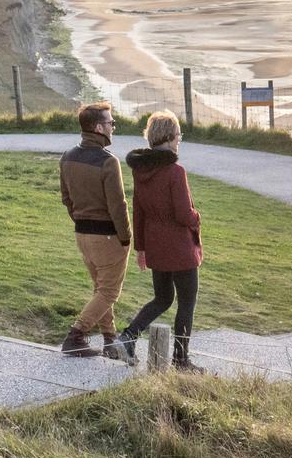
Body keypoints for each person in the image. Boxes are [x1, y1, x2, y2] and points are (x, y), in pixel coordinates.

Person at [110, 110, 204, 371]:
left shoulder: (141, 171)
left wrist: (141, 248)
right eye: (178, 136)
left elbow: (138, 212)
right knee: (186, 303)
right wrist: (197, 216)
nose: (179, 141)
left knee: (162, 298)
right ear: (171, 137)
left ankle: (128, 336)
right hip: (180, 249)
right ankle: (181, 360)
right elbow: (184, 214)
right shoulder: (175, 171)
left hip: (156, 248)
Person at [58, 102, 131, 358]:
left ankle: (110, 340)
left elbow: (66, 199)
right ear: (99, 127)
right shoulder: (108, 162)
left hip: (82, 234)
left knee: (101, 289)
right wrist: (126, 237)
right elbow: (118, 205)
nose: (113, 127)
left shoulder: (67, 157)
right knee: (109, 291)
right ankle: (76, 335)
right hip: (108, 235)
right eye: (111, 123)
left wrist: (80, 220)